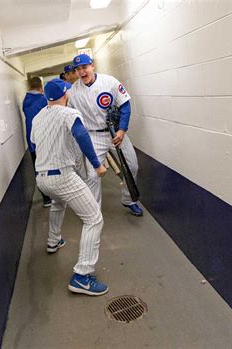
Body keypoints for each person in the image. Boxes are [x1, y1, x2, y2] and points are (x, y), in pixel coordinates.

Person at [31, 78, 109, 296]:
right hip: (62, 176)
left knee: (58, 203)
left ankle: (53, 240)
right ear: (65, 94)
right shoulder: (68, 113)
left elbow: (34, 144)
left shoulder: (38, 117)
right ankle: (82, 276)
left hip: (42, 178)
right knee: (94, 218)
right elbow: (82, 135)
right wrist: (97, 165)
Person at [68, 54, 143, 217]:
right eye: (78, 69)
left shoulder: (110, 82)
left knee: (132, 166)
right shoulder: (73, 92)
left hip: (116, 133)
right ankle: (94, 213)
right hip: (93, 136)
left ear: (92, 66)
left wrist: (122, 130)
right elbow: (73, 119)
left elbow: (125, 105)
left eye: (84, 67)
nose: (81, 72)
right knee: (93, 175)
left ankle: (128, 199)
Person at [22, 77, 52, 207]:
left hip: (32, 142)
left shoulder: (25, 101)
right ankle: (56, 195)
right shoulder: (43, 100)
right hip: (46, 140)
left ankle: (46, 198)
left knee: (39, 170)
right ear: (41, 87)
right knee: (51, 167)